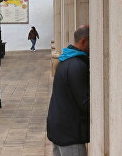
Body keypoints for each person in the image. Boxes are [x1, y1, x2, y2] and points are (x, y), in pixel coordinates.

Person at [46, 25, 88, 156]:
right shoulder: (77, 65)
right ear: (83, 41)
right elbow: (85, 102)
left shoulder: (65, 60)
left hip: (59, 127)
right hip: (70, 132)